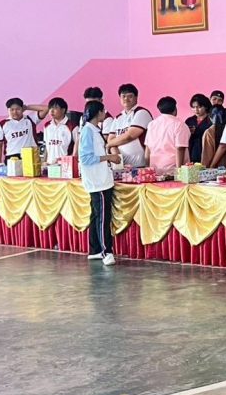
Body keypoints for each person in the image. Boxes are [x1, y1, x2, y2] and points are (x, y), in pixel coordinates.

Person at [78, 100, 121, 266]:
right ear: (99, 113)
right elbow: (86, 158)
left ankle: (95, 249)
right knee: (103, 217)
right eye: (103, 111)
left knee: (96, 215)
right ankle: (106, 251)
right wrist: (109, 157)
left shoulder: (94, 130)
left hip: (100, 179)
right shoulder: (88, 131)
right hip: (98, 181)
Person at [106, 84, 153, 168]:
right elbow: (110, 139)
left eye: (130, 96)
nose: (126, 99)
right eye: (123, 96)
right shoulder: (118, 118)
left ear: (136, 97)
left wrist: (108, 145)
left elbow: (130, 136)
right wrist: (116, 156)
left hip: (140, 166)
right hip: (122, 167)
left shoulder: (141, 112)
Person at [0, 98, 48, 164]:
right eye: (12, 110)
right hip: (12, 157)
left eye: (18, 109)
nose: (15, 112)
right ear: (8, 110)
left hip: (31, 155)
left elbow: (46, 109)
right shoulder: (2, 124)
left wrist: (27, 107)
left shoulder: (30, 119)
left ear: (22, 109)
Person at [144, 96, 190, 171]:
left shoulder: (152, 124)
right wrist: (179, 170)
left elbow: (148, 147)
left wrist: (147, 167)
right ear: (175, 109)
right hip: (172, 169)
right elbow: (180, 148)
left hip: (154, 168)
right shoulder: (179, 124)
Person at [43, 97, 77, 164]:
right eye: (50, 108)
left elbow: (78, 148)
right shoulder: (47, 126)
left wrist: (69, 160)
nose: (51, 111)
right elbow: (47, 146)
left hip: (65, 165)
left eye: (55, 108)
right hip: (50, 165)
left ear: (63, 110)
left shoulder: (72, 127)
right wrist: (44, 161)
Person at [185, 93, 212, 163]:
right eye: (193, 107)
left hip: (206, 153)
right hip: (191, 153)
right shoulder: (189, 120)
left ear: (205, 107)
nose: (196, 110)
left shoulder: (211, 120)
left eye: (199, 107)